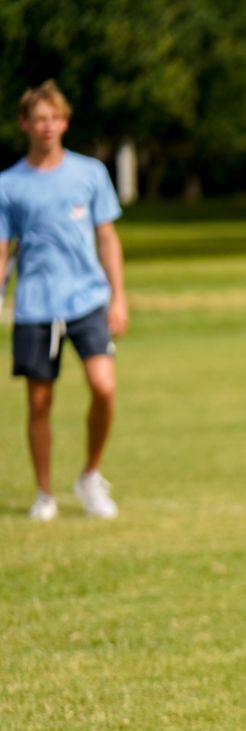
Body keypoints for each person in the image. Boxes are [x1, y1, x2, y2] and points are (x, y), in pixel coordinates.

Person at [0, 80, 128, 521]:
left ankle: (90, 475)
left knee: (104, 386)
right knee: (39, 402)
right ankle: (44, 494)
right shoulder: (8, 184)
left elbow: (107, 236)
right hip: (36, 303)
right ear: (24, 124)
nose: (47, 126)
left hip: (87, 299)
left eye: (54, 118)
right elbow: (2, 251)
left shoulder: (90, 173)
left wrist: (118, 297)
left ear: (65, 122)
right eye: (39, 119)